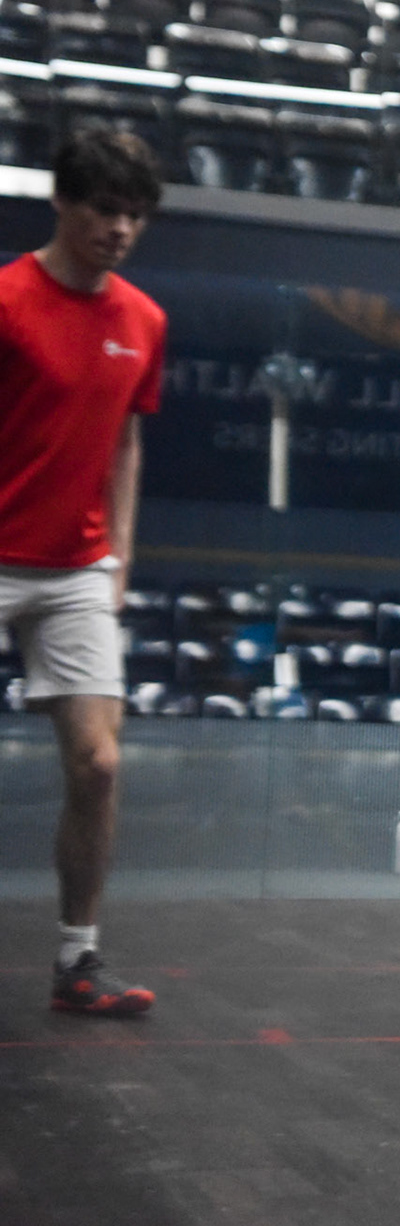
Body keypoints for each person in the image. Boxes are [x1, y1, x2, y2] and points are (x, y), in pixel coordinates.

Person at [0, 130, 166, 1016]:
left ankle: (78, 962)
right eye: (105, 209)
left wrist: (120, 558)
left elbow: (126, 442)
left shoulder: (144, 322)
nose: (120, 229)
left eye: (135, 215)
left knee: (100, 765)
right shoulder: (5, 300)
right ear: (62, 202)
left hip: (76, 570)